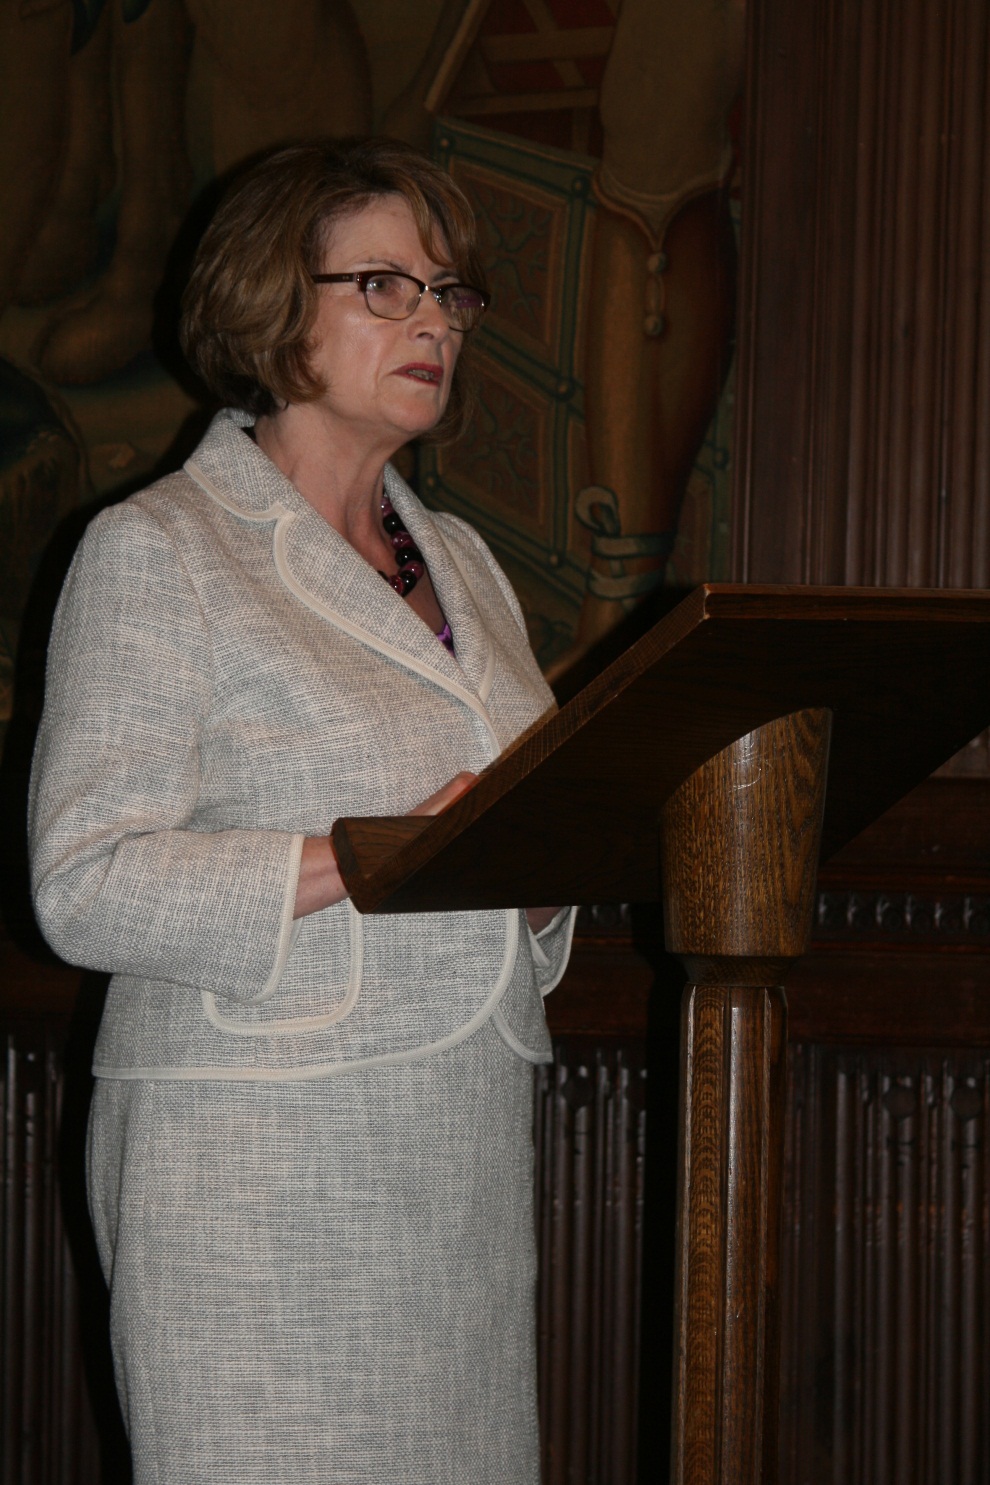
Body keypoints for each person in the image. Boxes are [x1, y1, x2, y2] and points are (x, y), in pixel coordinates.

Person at [28, 138, 575, 1484]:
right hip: (255, 1169)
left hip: (455, 1158)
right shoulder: (159, 549)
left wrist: (552, 866)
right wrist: (362, 858)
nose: (435, 321)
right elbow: (84, 881)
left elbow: (509, 846)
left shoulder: (466, 564)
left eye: (449, 293)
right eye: (385, 286)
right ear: (272, 303)